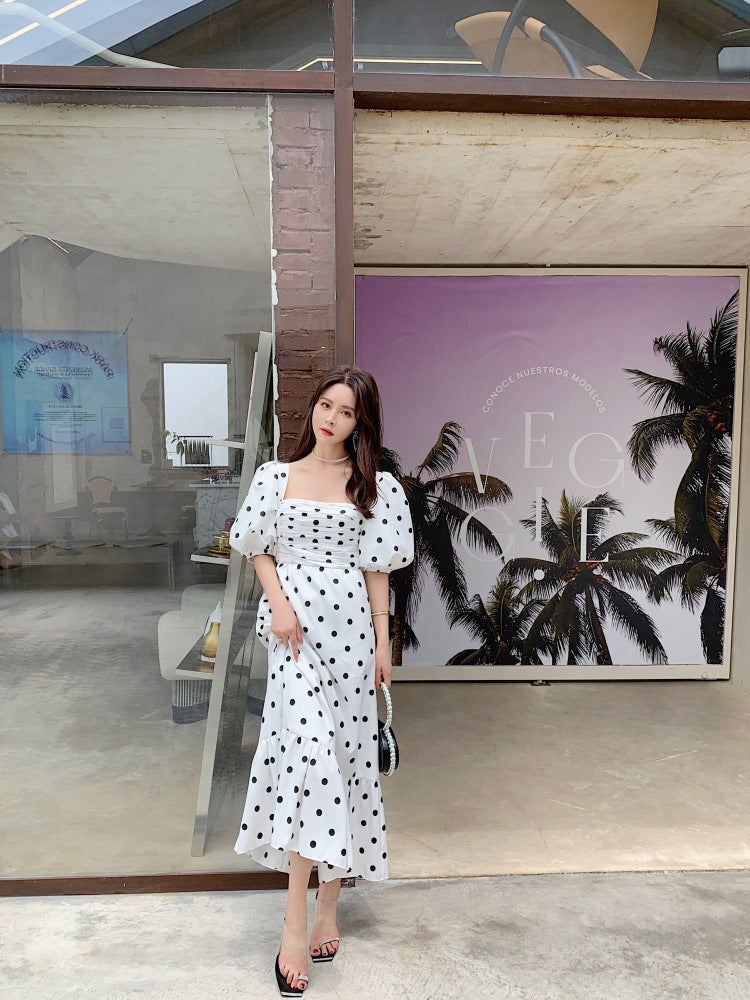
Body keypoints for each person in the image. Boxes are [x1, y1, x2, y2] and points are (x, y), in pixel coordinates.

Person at [230, 365, 414, 997]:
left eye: (346, 411)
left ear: (361, 423)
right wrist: (280, 605)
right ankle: (292, 924)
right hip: (293, 636)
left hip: (351, 636)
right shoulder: (274, 476)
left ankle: (328, 909)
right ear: (313, 408)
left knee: (345, 759)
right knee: (309, 760)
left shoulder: (376, 487)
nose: (331, 418)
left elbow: (377, 569)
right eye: (326, 405)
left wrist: (383, 642)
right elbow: (257, 547)